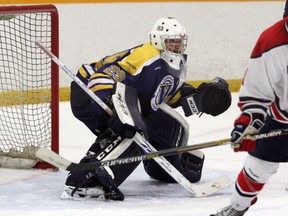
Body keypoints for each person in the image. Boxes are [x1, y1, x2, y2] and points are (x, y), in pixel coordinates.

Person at [62, 17, 231, 201]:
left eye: (179, 41)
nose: (176, 45)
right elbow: (101, 78)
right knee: (133, 129)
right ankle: (86, 180)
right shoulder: (146, 56)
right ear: (158, 40)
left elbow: (164, 95)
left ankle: (166, 167)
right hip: (89, 94)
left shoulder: (175, 63)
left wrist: (199, 97)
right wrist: (115, 105)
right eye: (171, 41)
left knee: (171, 127)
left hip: (124, 98)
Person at [210, 11, 288, 216]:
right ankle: (237, 208)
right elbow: (256, 91)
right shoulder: (272, 41)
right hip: (282, 116)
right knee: (258, 167)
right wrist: (248, 122)